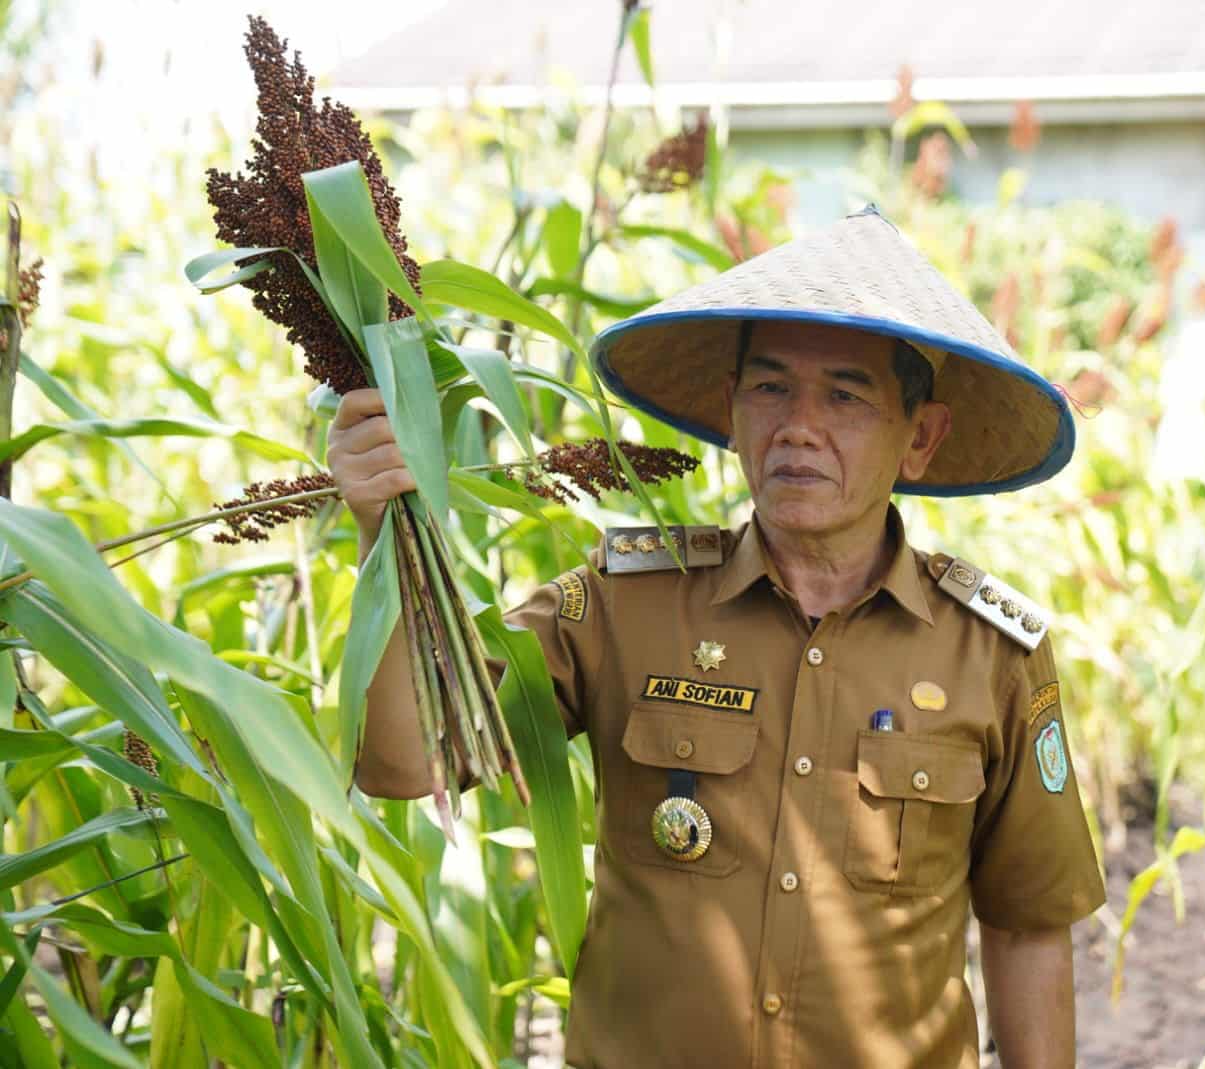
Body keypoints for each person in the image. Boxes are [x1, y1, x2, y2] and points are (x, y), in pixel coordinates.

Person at [333, 206, 1105, 1069]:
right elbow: (404, 764)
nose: (798, 427)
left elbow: (1030, 925)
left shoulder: (990, 656)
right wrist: (382, 532)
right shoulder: (620, 610)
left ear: (919, 438)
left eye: (845, 395)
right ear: (731, 413)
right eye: (769, 387)